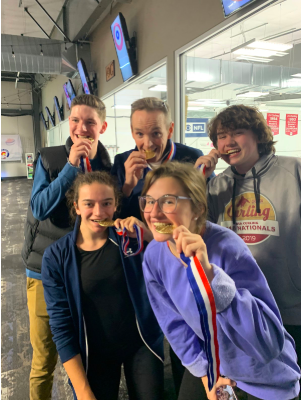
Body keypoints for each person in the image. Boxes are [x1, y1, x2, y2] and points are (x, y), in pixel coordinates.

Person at [131, 161, 300, 400]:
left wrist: (211, 276)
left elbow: (269, 343)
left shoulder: (227, 247)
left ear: (198, 208)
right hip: (213, 365)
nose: (154, 212)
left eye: (168, 201)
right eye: (148, 201)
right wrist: (206, 375)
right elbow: (175, 325)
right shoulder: (154, 256)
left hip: (265, 376)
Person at [196, 105, 301, 387]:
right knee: (252, 387)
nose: (228, 142)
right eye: (221, 136)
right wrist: (198, 179)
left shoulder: (293, 170)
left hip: (290, 305)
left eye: (237, 133)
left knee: (289, 385)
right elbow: (192, 229)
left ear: (258, 136)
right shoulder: (216, 185)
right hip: (240, 309)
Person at [41, 171, 164, 400]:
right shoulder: (56, 257)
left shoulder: (129, 239)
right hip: (95, 354)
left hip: (140, 344)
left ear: (116, 205)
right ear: (76, 206)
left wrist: (146, 234)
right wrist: (83, 391)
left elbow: (173, 260)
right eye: (89, 204)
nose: (99, 212)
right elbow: (62, 328)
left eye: (106, 203)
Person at [21, 94, 112, 400]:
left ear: (102, 127)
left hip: (84, 268)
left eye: (89, 122)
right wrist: (70, 167)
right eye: (75, 120)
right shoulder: (49, 157)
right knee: (44, 359)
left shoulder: (105, 163)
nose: (81, 128)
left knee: (83, 354)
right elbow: (40, 206)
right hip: (41, 268)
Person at [111, 97, 213, 221]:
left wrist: (199, 182)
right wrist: (127, 188)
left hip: (181, 238)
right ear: (132, 132)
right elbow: (113, 218)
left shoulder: (192, 158)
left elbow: (210, 209)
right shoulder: (121, 163)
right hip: (138, 240)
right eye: (140, 134)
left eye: (156, 134)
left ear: (170, 130)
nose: (147, 144)